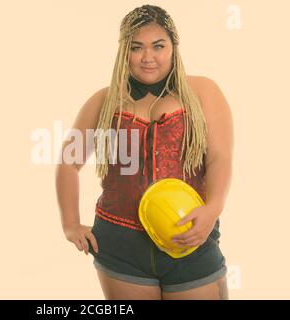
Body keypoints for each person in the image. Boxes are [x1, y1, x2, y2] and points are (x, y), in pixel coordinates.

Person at [55, 4, 233, 300]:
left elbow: (219, 158)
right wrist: (70, 224)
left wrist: (213, 208)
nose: (148, 57)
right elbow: (68, 163)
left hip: (190, 234)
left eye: (158, 46)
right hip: (119, 243)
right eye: (137, 48)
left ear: (174, 47)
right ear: (124, 51)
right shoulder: (103, 101)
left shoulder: (204, 91)